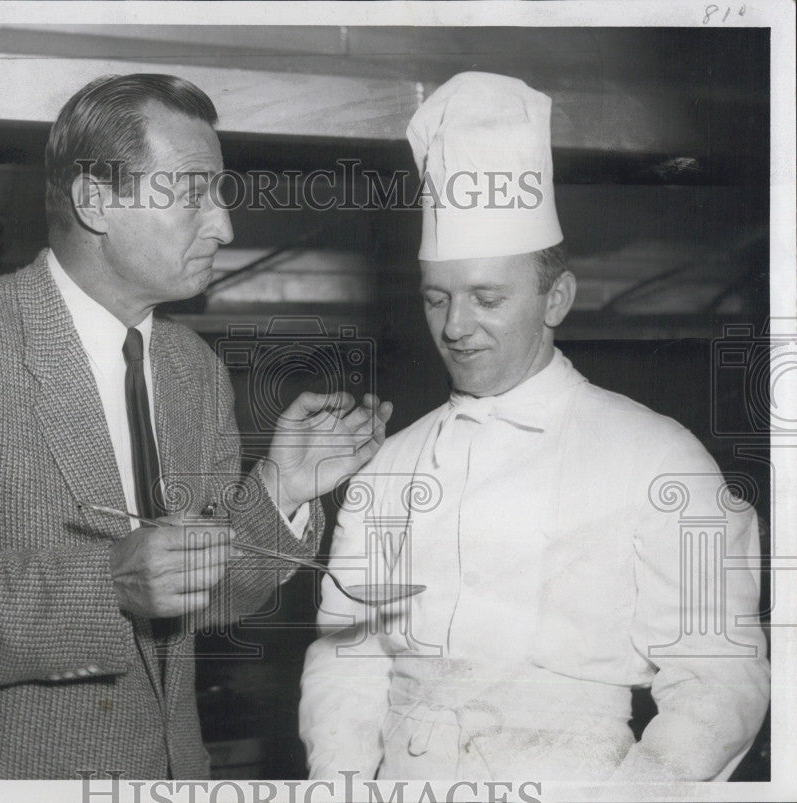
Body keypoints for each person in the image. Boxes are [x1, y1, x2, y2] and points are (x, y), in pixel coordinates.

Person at [0, 73, 393, 780]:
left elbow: (202, 598)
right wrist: (107, 585)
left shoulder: (192, 369)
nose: (225, 225)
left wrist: (280, 491)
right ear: (96, 201)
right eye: (193, 193)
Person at [299, 72, 769, 782]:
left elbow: (722, 679)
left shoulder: (659, 458)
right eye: (436, 298)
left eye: (488, 297)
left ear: (558, 298)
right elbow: (348, 654)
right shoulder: (389, 467)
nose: (456, 328)